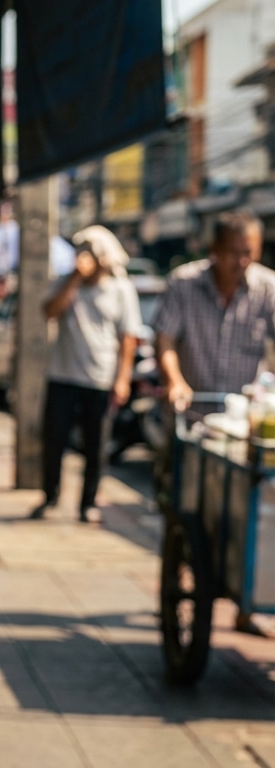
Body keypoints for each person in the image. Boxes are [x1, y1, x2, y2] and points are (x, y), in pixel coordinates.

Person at [153, 209, 275, 637]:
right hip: (193, 421)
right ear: (214, 251)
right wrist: (175, 381)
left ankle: (247, 601)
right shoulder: (185, 283)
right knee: (184, 509)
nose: (243, 261)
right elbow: (165, 338)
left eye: (250, 253)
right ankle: (177, 575)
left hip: (242, 426)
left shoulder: (268, 289)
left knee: (252, 510)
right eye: (235, 253)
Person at [30, 225, 142, 524]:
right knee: (54, 440)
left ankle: (87, 503)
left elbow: (128, 338)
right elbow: (49, 312)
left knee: (95, 446)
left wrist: (122, 379)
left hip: (100, 378)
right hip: (62, 375)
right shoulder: (67, 283)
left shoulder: (120, 289)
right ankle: (49, 495)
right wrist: (76, 278)